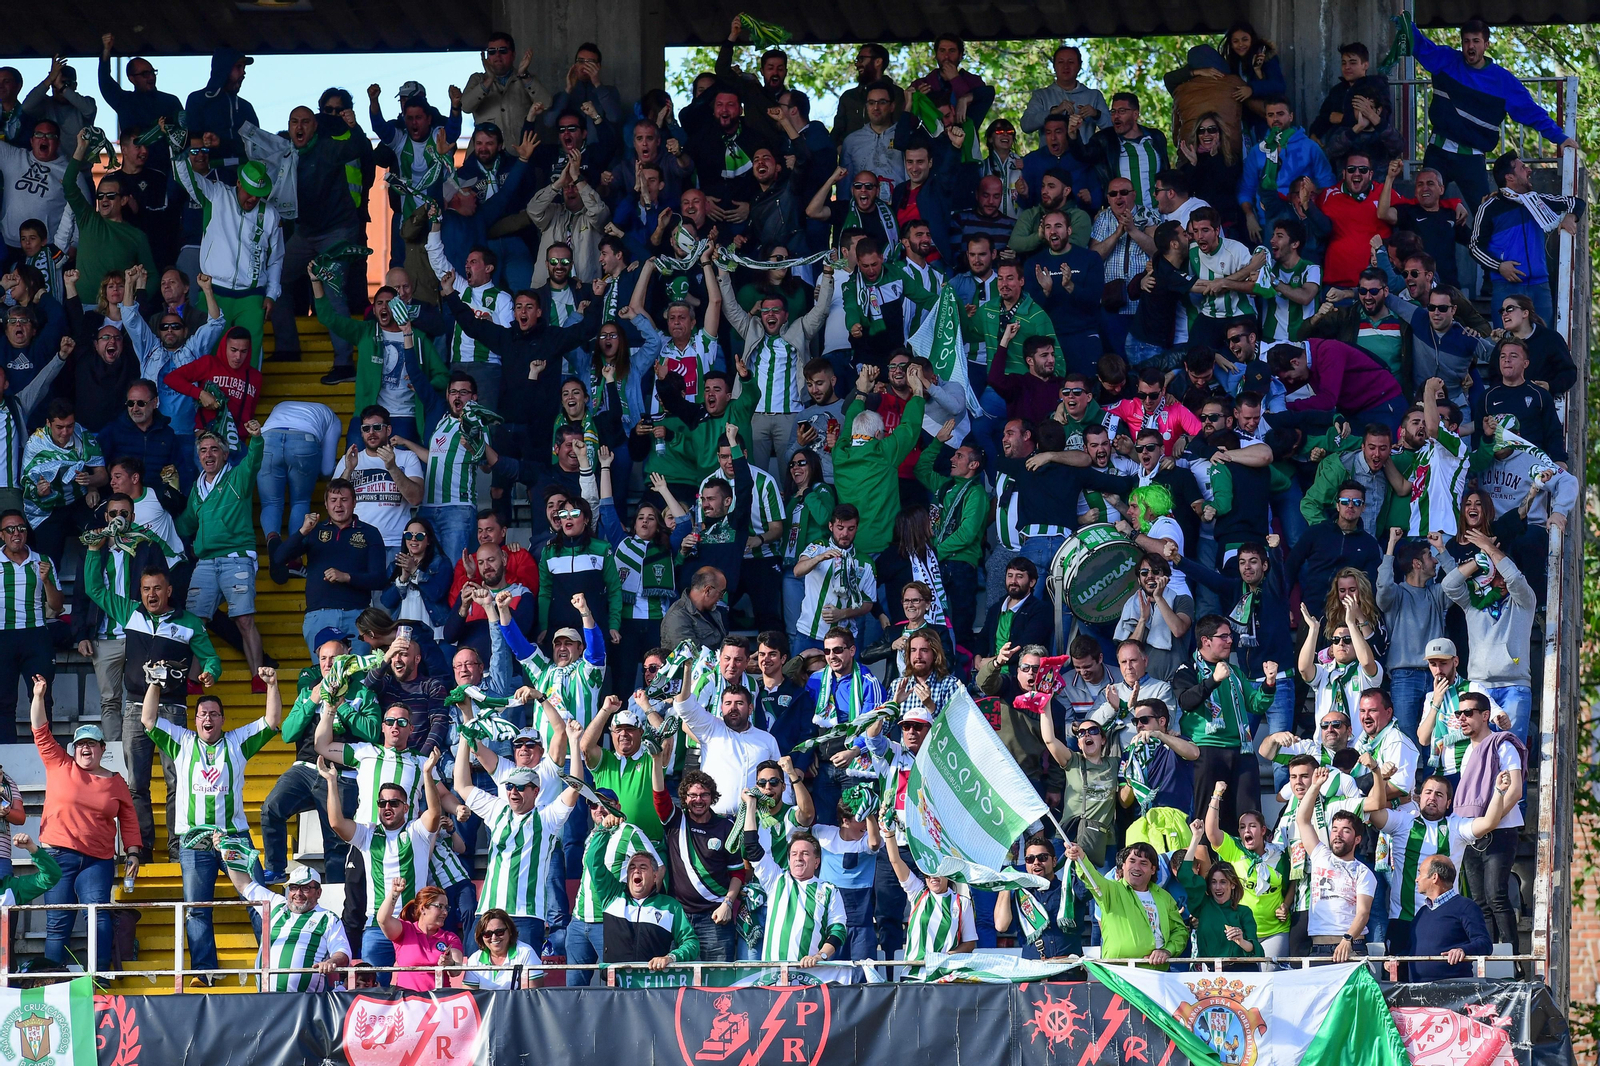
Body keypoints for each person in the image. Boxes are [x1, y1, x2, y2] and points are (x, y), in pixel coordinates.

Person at [80, 543, 221, 860]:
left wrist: (210, 673)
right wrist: (92, 551)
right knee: (136, 784)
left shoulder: (190, 623)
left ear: (169, 590)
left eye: (157, 588)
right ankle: (141, 848)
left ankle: (176, 847)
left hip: (173, 710)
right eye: (146, 589)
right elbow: (93, 588)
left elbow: (211, 659)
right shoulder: (130, 612)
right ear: (140, 591)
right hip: (134, 708)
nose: (151, 595)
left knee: (176, 782)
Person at [144, 670, 282, 986]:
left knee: (259, 901)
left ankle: (272, 967)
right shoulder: (180, 741)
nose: (209, 718)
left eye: (214, 714)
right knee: (197, 909)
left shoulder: (237, 742)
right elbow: (149, 720)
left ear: (222, 719)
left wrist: (272, 684)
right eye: (203, 714)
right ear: (194, 720)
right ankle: (205, 972)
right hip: (195, 840)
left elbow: (272, 720)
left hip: (234, 836)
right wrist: (154, 682)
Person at [1409, 16, 1578, 218]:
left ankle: (1485, 250)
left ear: (1486, 45)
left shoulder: (1503, 81)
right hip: (1438, 150)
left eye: (1476, 41)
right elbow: (1419, 45)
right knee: (1424, 208)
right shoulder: (1447, 59)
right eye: (1466, 41)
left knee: (1486, 214)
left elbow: (1531, 112)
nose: (1470, 46)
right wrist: (1405, 22)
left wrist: (1560, 138)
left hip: (1471, 158)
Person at [1364, 765, 1516, 977]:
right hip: (1402, 919)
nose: (1432, 798)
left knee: (1440, 976)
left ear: (1448, 803)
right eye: (1428, 792)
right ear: (1419, 797)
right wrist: (1379, 777)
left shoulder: (1456, 827)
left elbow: (1489, 822)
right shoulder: (1403, 822)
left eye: (1439, 794)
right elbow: (1372, 812)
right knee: (1399, 984)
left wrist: (1499, 792)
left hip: (1443, 921)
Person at [30, 676, 138, 973]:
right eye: (80, 744)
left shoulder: (116, 782)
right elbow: (40, 730)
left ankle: (99, 975)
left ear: (103, 749)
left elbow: (128, 817)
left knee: (98, 915)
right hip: (57, 857)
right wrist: (39, 696)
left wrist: (133, 852)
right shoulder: (59, 763)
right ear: (73, 749)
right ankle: (51, 980)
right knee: (58, 920)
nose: (85, 749)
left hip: (98, 860)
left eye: (91, 744)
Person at [1173, 615, 1278, 830]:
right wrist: (1213, 680)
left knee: (1249, 816)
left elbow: (1255, 704)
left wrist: (1268, 683)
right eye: (1224, 636)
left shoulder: (1234, 672)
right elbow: (1186, 701)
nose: (1230, 641)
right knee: (1209, 818)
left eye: (1231, 636)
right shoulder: (1187, 669)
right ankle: (1208, 862)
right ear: (1205, 640)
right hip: (1207, 751)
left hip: (1242, 751)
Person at [1440, 529, 1537, 743]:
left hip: (1514, 687)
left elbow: (1514, 578)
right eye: (1497, 576)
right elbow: (1449, 585)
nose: (1503, 582)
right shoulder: (1472, 604)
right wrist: (1480, 558)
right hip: (1479, 687)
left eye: (1506, 578)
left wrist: (1491, 549)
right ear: (1489, 576)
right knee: (1478, 750)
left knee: (1511, 748)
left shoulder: (1524, 602)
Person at [565, 781, 662, 984]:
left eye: (605, 803)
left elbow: (658, 868)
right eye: (593, 804)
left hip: (609, 921)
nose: (599, 809)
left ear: (617, 807)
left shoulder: (629, 831)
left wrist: (643, 908)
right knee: (572, 989)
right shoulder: (592, 835)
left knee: (617, 984)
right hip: (578, 921)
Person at [278, 480, 389, 656]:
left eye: (344, 499)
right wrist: (302, 532)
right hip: (319, 615)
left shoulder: (370, 533)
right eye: (333, 500)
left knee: (358, 677)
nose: (338, 505)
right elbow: (279, 558)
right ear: (326, 504)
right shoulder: (314, 531)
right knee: (324, 678)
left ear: (354, 502)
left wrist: (347, 577)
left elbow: (379, 579)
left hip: (357, 616)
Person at [658, 768, 746, 962]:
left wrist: (728, 904)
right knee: (677, 983)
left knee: (719, 983)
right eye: (693, 795)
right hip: (679, 917)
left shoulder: (726, 827)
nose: (698, 800)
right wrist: (657, 761)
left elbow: (738, 873)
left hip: (715, 917)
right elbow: (659, 795)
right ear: (684, 797)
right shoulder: (675, 820)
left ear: (712, 797)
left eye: (704, 794)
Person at [1295, 767, 1375, 961]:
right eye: (1335, 829)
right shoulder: (1320, 854)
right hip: (1319, 948)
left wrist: (1347, 939)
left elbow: (1363, 912)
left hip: (1352, 947)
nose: (1338, 834)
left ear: (1357, 839)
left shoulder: (1363, 872)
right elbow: (1302, 820)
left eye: (1345, 831)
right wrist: (1314, 786)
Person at [1065, 839, 1186, 968]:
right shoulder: (1111, 891)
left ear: (1153, 869)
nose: (1136, 867)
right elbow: (1092, 878)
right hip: (1120, 977)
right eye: (1132, 861)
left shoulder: (1165, 897)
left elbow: (1180, 931)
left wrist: (1167, 951)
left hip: (1157, 974)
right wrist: (1081, 858)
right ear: (1123, 865)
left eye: (1143, 863)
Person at [1201, 783, 1289, 957]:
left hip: (1275, 931)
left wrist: (1286, 904)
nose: (1246, 830)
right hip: (1240, 932)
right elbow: (1211, 831)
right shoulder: (1234, 849)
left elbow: (1292, 881)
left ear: (1263, 830)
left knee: (1270, 979)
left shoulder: (1279, 855)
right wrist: (1216, 794)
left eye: (1252, 826)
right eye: (1242, 827)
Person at [0, 511, 62, 742]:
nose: (16, 533)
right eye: (10, 529)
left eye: (21, 528)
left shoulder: (42, 561)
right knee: (3, 700)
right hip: (2, 635)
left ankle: (46, 752)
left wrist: (46, 581)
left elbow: (57, 605)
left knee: (42, 697)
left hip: (35, 635)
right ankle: (5, 757)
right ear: (2, 535)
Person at [1177, 828, 1263, 966]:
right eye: (1213, 882)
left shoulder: (1244, 912)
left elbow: (1257, 952)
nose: (1218, 887)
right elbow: (1185, 875)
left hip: (1243, 973)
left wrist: (1241, 941)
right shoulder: (1203, 906)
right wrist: (1196, 837)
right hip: (1211, 975)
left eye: (1223, 882)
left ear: (1233, 885)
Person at [994, 834, 1081, 958]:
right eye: (1030, 859)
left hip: (1068, 971)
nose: (1036, 862)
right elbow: (1001, 926)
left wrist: (1080, 856)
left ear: (1054, 861)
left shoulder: (1070, 889)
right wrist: (1006, 885)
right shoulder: (1021, 894)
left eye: (1042, 857)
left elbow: (1092, 888)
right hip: (1034, 972)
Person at [1410, 855, 1493, 980]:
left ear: (1434, 877)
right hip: (1417, 991)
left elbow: (1484, 944)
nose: (1417, 879)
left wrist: (1463, 950)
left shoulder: (1466, 907)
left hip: (1453, 992)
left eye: (1420, 873)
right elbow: (1411, 947)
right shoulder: (1422, 912)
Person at [377, 880, 463, 992]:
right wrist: (394, 893)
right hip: (407, 1002)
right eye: (439, 906)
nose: (445, 912)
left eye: (446, 908)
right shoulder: (405, 930)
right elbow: (383, 919)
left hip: (439, 1003)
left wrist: (450, 962)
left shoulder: (450, 937)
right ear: (423, 908)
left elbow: (456, 971)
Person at [462, 906, 540, 990]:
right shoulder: (474, 959)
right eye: (487, 934)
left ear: (510, 931)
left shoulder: (526, 953)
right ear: (481, 937)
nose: (494, 937)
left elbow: (530, 996)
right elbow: (470, 998)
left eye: (499, 932)